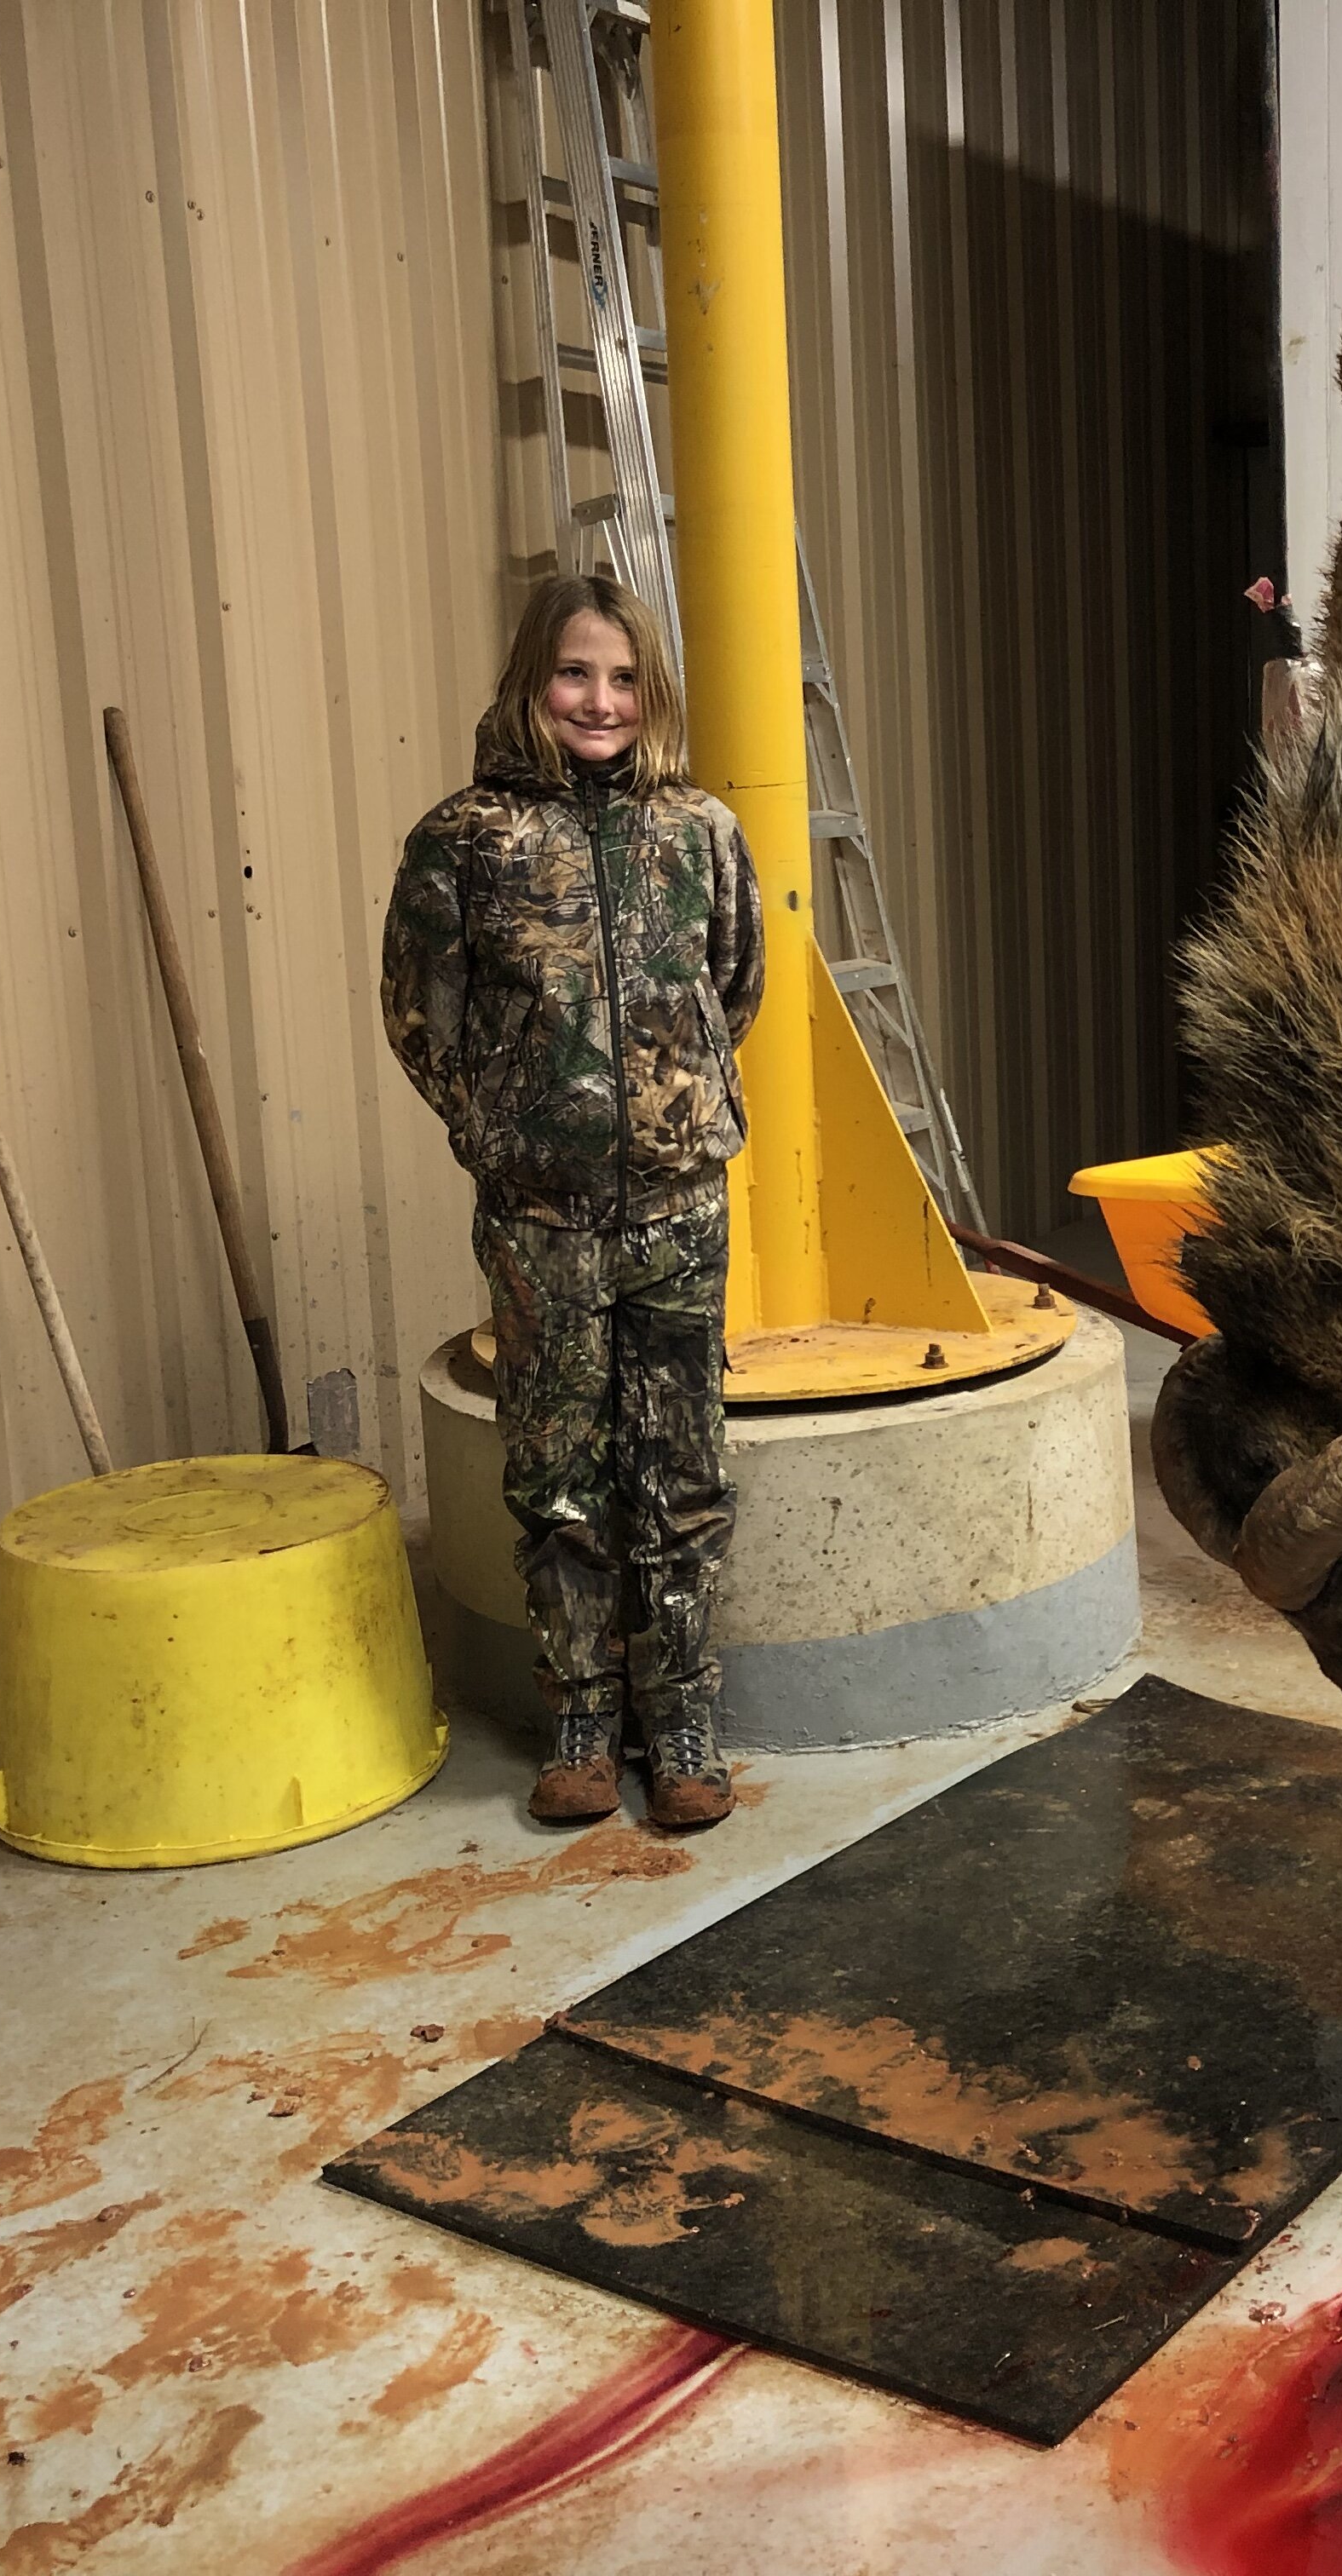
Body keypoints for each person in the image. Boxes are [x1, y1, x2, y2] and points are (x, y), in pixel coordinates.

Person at [383, 573, 765, 1831]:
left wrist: (668, 1110)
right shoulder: (466, 841)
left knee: (682, 1465)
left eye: (620, 676)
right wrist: (506, 1125)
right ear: (529, 686)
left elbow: (735, 987)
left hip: (677, 1210)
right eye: (571, 674)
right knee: (556, 1471)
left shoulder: (699, 830)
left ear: (649, 690)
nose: (598, 700)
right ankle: (584, 1722)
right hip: (543, 1223)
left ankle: (685, 1717)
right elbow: (420, 1018)